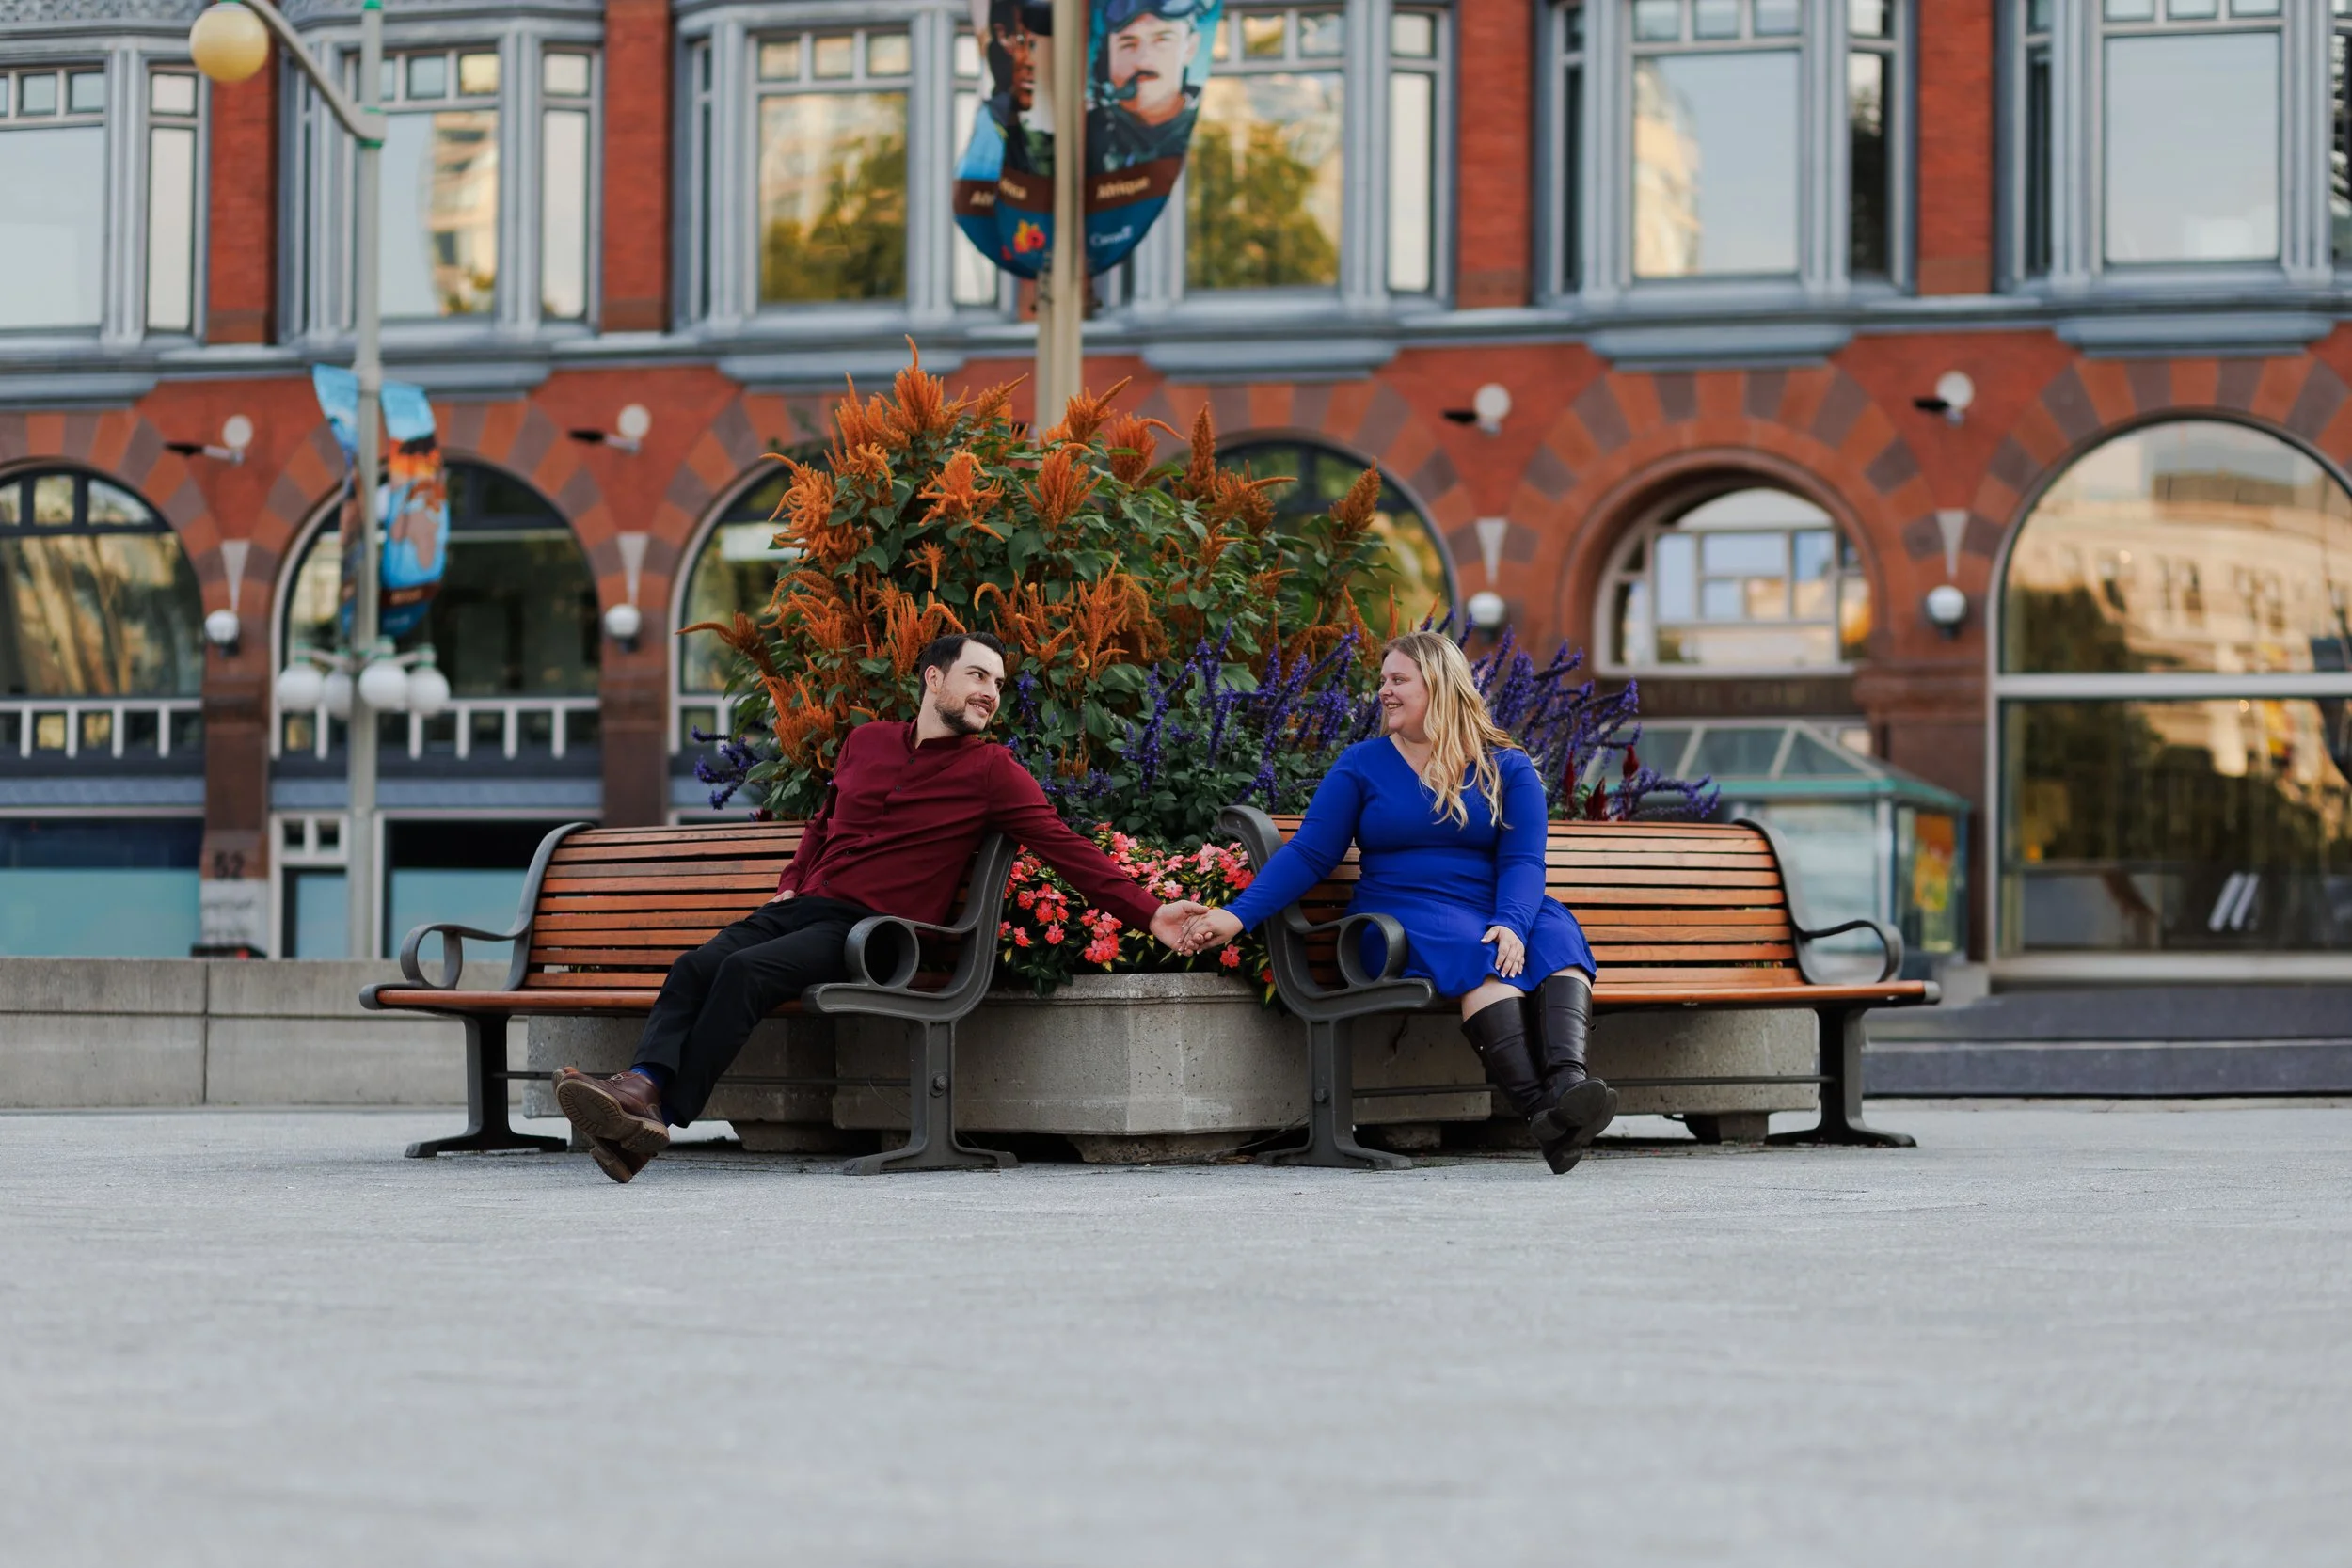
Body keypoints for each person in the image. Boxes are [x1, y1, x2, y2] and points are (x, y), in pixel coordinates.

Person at [552, 632, 1208, 1182]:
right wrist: (793, 876)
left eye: (999, 683)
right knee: (697, 964)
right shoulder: (865, 742)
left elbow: (1065, 847)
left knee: (745, 973)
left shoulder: (992, 771)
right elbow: (824, 818)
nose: (990, 691)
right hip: (809, 905)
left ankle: (652, 1112)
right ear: (933, 677)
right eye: (977, 675)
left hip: (879, 934)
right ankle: (638, 1092)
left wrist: (1150, 911)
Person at [1182, 632, 1616, 1173]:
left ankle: (1566, 1088)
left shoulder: (1506, 767)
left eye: (1397, 680)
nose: (1383, 692)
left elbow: (1524, 862)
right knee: (1474, 947)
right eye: (1382, 680)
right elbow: (1312, 854)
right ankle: (1545, 1112)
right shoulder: (1361, 765)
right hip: (1399, 913)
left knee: (1556, 935)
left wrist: (1513, 920)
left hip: (1493, 901)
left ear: (1437, 684)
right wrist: (1235, 914)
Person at [1088, 0, 1206, 171]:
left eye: (1162, 41)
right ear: (1107, 56)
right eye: (1127, 44)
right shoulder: (1082, 133)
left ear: (1190, 48)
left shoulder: (1209, 126)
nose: (1143, 61)